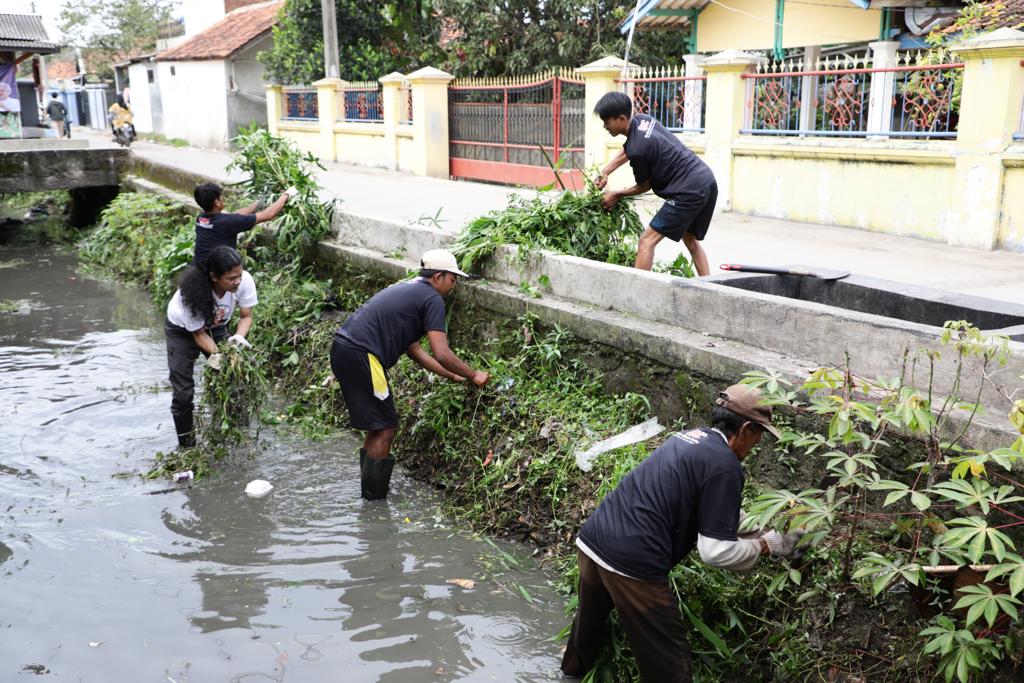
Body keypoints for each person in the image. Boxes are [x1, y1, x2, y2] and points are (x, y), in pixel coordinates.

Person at [561, 383, 807, 682]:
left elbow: (711, 508)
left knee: (587, 629)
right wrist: (767, 545)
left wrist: (763, 527)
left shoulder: (690, 438)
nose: (756, 445)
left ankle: (570, 675)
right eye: (759, 436)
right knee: (668, 661)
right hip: (633, 562)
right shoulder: (726, 465)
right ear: (745, 430)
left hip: (594, 540)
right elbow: (715, 552)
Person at [330, 249, 490, 501]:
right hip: (363, 355)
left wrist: (453, 376)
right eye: (452, 278)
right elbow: (442, 352)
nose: (454, 284)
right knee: (386, 428)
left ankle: (370, 494)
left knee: (378, 426)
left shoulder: (409, 289)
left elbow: (414, 350)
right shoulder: (433, 298)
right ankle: (374, 501)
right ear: (438, 277)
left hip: (344, 348)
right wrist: (474, 374)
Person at [593, 91, 717, 275]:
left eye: (607, 121)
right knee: (689, 239)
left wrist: (616, 194)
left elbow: (644, 186)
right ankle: (711, 287)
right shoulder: (642, 121)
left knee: (646, 241)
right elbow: (629, 148)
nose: (605, 126)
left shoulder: (638, 149)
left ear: (620, 119)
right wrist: (606, 171)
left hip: (687, 191)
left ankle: (637, 294)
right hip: (706, 180)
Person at [165, 246, 257, 448]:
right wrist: (220, 358)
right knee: (183, 394)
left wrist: (238, 338)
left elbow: (246, 316)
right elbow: (198, 334)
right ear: (214, 276)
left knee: (234, 380)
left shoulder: (244, 281)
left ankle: (235, 436)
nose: (237, 281)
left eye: (239, 275)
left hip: (216, 327)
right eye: (231, 278)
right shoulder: (189, 295)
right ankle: (188, 447)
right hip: (183, 332)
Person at [192, 182, 291, 269]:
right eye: (221, 197)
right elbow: (267, 215)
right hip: (217, 274)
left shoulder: (201, 218)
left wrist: (257, 204)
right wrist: (286, 195)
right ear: (217, 202)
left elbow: (233, 216)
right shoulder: (227, 222)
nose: (223, 199)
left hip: (198, 270)